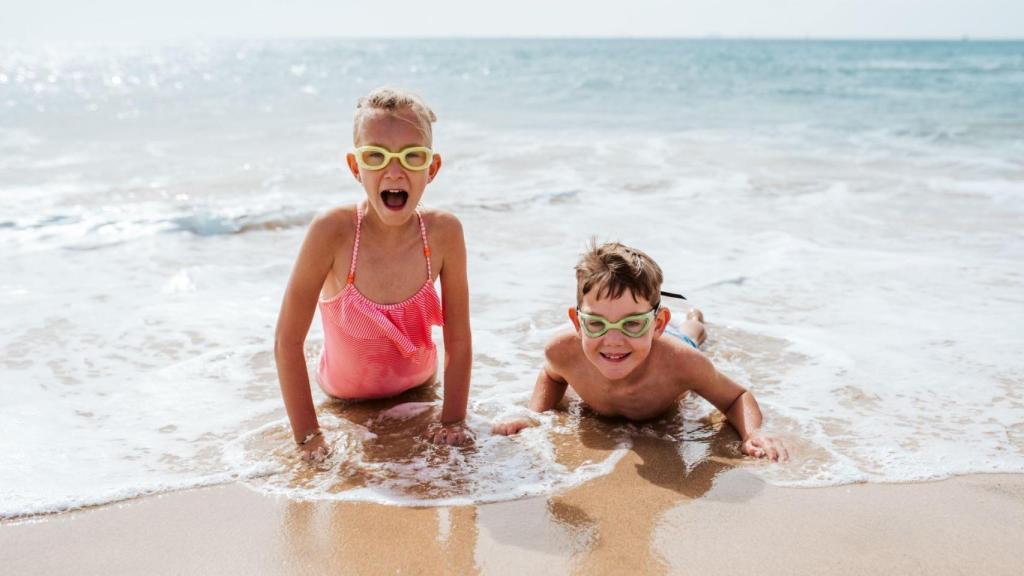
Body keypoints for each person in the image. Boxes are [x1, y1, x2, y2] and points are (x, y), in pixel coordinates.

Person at [275, 87, 472, 462]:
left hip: (420, 393)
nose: (394, 170)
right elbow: (287, 341)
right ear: (355, 167)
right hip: (344, 404)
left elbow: (459, 341)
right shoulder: (331, 232)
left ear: (431, 169)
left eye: (412, 156)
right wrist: (308, 437)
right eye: (376, 156)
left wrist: (453, 420)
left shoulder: (444, 233)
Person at [492, 241, 788, 461]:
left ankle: (694, 320)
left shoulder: (682, 363)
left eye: (631, 324)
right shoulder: (562, 352)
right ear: (577, 323)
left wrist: (752, 434)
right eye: (596, 324)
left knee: (690, 337)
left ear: (657, 323)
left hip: (670, 345)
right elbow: (552, 376)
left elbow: (737, 396)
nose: (613, 339)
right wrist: (533, 415)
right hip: (650, 341)